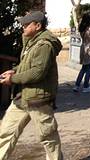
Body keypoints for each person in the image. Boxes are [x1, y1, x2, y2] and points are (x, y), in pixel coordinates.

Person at [0, 11, 63, 159]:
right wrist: (15, 70)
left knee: (48, 137)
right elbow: (28, 65)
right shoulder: (32, 41)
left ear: (38, 26)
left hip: (38, 99)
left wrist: (13, 79)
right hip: (22, 96)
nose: (23, 27)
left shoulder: (44, 45)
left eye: (27, 24)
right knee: (6, 132)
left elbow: (37, 72)